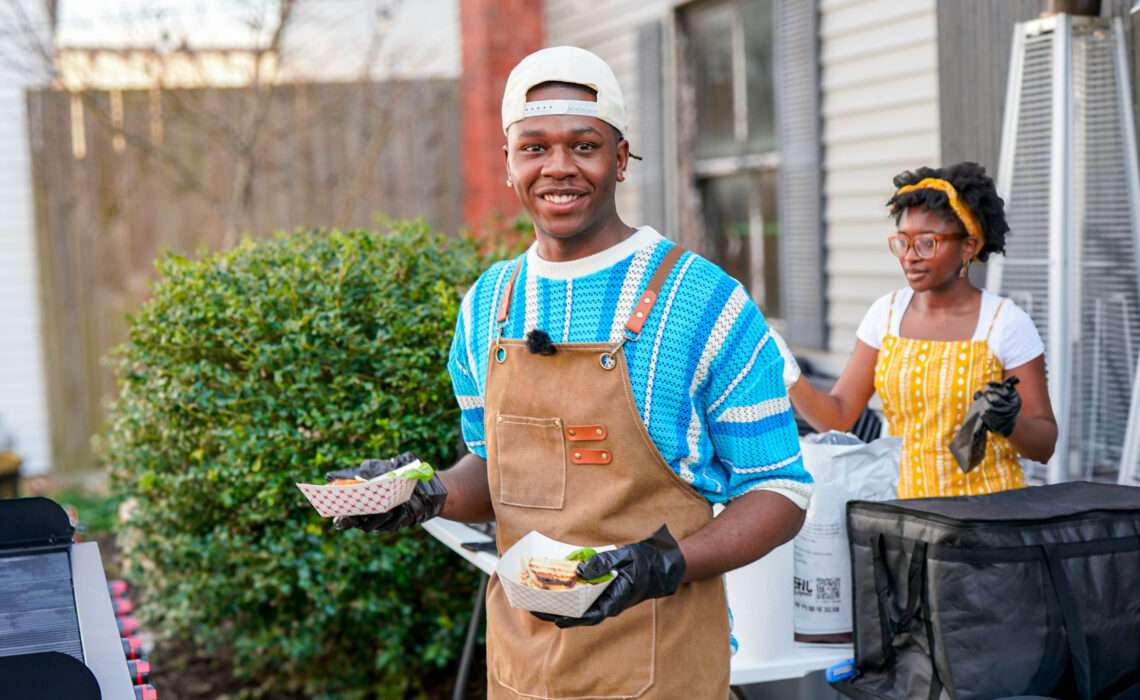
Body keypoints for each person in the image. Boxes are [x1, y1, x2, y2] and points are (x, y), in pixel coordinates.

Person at [326, 46, 812, 698]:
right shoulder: (488, 305)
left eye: (583, 145)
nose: (558, 167)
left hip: (661, 666)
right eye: (534, 147)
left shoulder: (703, 302)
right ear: (508, 163)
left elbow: (781, 492)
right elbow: (500, 474)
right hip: (522, 669)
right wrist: (426, 492)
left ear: (619, 157)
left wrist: (662, 564)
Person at [774, 162, 1057, 498]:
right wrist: (787, 373)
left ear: (968, 246)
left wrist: (1009, 422)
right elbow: (837, 418)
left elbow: (1044, 444)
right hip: (905, 521)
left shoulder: (1005, 324)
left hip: (988, 521)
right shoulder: (885, 316)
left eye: (926, 243)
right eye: (902, 242)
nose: (910, 257)